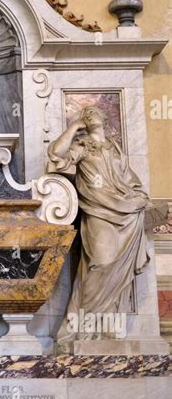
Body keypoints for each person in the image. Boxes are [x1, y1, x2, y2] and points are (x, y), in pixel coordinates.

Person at [48, 106, 151, 350]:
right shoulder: (83, 145)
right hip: (98, 211)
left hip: (126, 214)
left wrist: (138, 198)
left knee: (116, 269)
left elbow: (130, 180)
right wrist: (73, 127)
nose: (91, 113)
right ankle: (83, 326)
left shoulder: (114, 149)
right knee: (101, 262)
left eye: (95, 111)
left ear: (105, 118)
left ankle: (103, 327)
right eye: (87, 112)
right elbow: (56, 154)